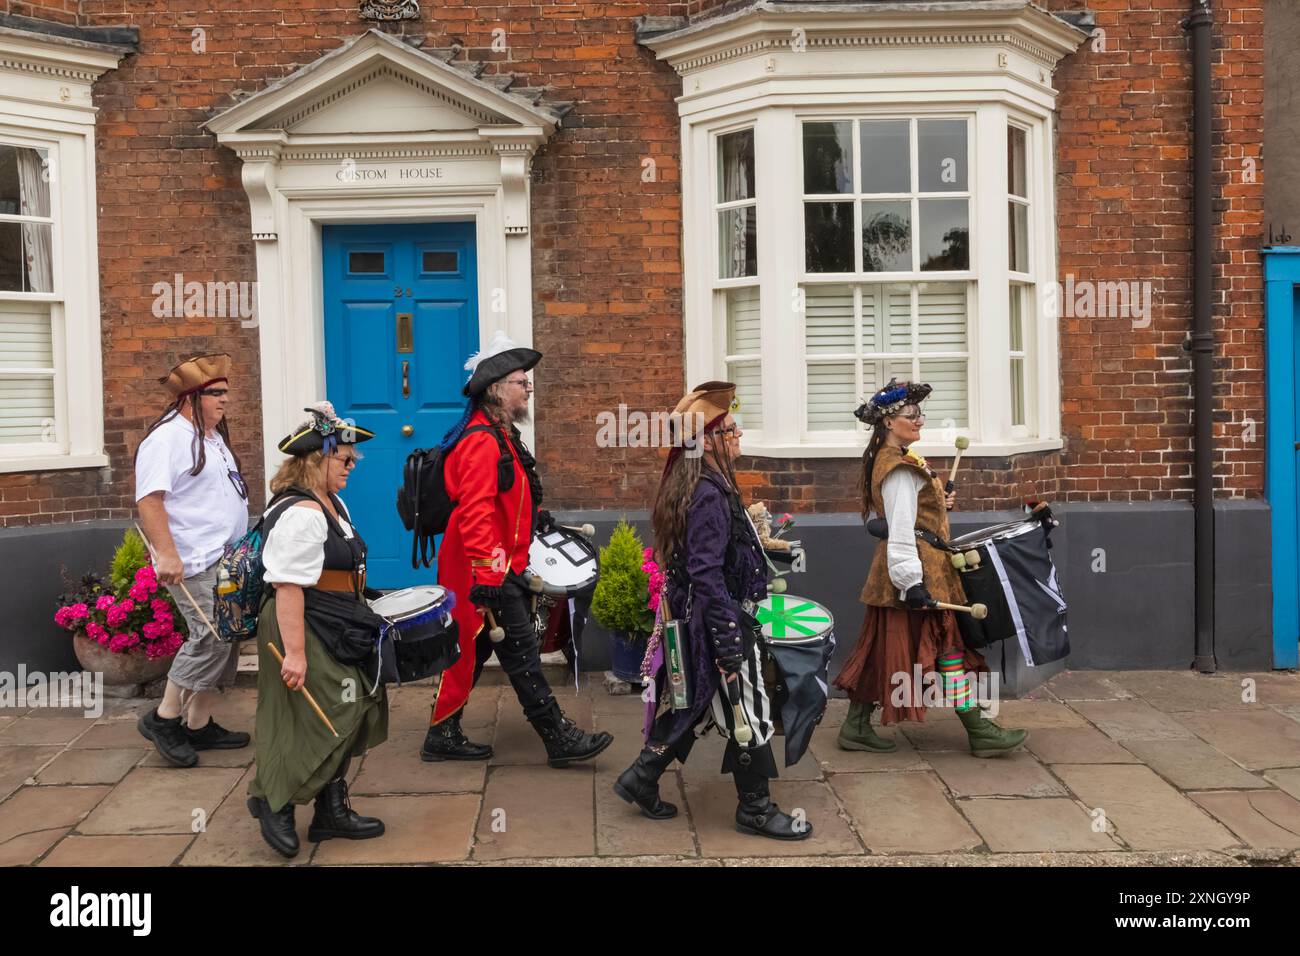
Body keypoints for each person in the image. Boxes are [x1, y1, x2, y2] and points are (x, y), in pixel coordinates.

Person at [614, 382, 812, 841]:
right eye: (731, 429)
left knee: (698, 704)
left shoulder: (708, 483)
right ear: (706, 441)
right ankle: (756, 809)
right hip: (713, 618)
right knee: (749, 707)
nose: (739, 436)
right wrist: (727, 642)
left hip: (703, 614)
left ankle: (641, 778)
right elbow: (705, 574)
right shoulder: (706, 494)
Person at [422, 331, 612, 767]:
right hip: (479, 567)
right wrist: (489, 580)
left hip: (496, 563)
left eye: (527, 382)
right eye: (520, 382)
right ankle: (558, 737)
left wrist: (534, 522)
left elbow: (510, 496)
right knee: (521, 650)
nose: (528, 389)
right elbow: (475, 515)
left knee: (473, 647)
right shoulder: (479, 441)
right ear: (495, 389)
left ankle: (442, 733)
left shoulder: (499, 433)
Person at [833, 380, 1028, 757]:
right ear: (889, 422)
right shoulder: (900, 468)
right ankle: (978, 728)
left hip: (921, 569)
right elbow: (902, 528)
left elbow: (906, 517)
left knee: (886, 649)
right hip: (916, 573)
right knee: (945, 646)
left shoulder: (896, 459)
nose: (919, 421)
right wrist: (911, 583)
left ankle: (855, 726)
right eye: (911, 415)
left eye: (920, 414)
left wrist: (939, 502)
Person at [245, 402, 389, 858]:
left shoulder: (332, 502)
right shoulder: (302, 512)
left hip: (331, 618)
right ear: (316, 460)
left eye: (354, 460)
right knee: (307, 716)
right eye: (344, 459)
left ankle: (331, 810)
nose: (352, 466)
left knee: (355, 705)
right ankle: (274, 802)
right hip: (299, 623)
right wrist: (295, 654)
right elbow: (288, 585)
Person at [135, 353, 251, 767]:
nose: (225, 400)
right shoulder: (166, 439)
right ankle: (164, 718)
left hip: (227, 558)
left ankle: (198, 724)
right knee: (210, 637)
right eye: (215, 394)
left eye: (225, 392)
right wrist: (166, 553)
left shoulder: (212, 436)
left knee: (229, 637)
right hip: (194, 560)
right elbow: (150, 500)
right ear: (190, 397)